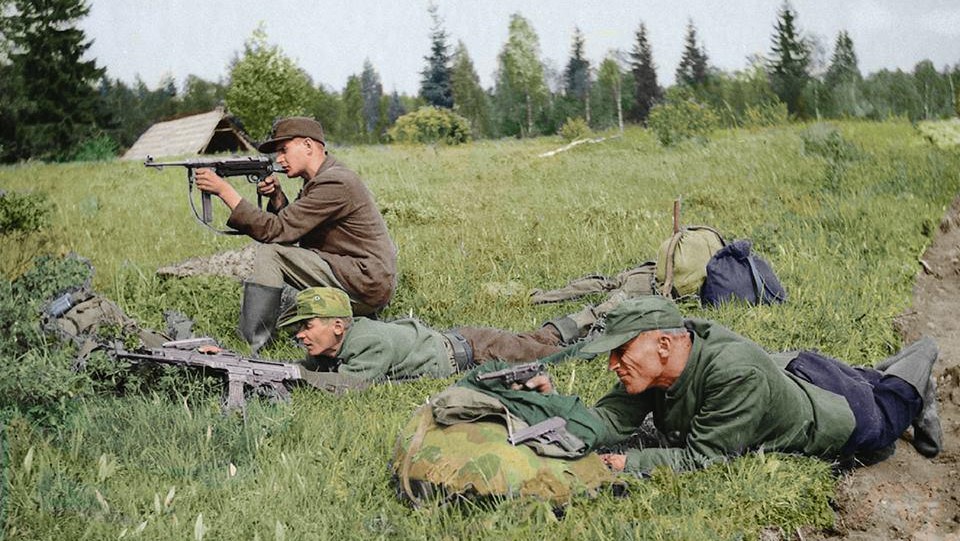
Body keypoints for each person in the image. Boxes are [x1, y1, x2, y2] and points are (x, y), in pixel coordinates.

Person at [523, 296, 942, 474]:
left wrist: (627, 464)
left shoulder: (735, 375)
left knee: (888, 411)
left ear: (665, 345)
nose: (613, 364)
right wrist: (553, 411)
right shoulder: (658, 367)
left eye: (621, 351)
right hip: (792, 372)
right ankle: (878, 371)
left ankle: (920, 360)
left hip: (836, 411)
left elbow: (704, 459)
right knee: (865, 378)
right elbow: (611, 418)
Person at [194, 117, 398, 354]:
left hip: (364, 281)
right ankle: (346, 326)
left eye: (284, 150)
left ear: (309, 146)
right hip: (359, 277)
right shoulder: (323, 178)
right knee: (287, 321)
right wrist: (277, 198)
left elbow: (275, 231)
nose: (279, 159)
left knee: (271, 254)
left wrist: (224, 191)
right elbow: (294, 230)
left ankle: (252, 346)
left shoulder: (335, 182)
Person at [276, 287, 601, 388]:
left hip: (476, 351)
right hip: (461, 340)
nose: (301, 335)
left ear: (337, 326)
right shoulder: (331, 345)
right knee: (535, 341)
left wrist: (299, 377)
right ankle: (584, 319)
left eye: (307, 326)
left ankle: (601, 336)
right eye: (298, 330)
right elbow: (309, 368)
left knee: (549, 355)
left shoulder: (365, 341)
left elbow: (349, 387)